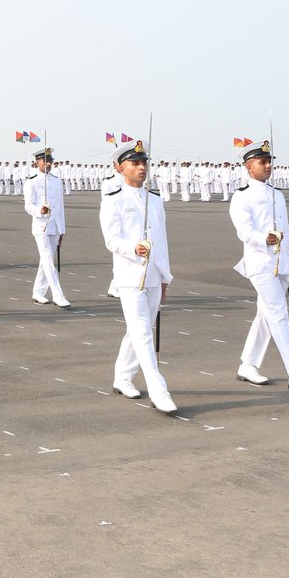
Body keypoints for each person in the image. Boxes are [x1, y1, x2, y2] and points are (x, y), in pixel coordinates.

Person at [228, 140, 289, 394]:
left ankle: (248, 364)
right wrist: (263, 239)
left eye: (269, 161)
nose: (268, 165)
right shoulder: (242, 196)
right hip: (260, 262)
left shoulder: (277, 194)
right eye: (262, 162)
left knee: (266, 316)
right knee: (278, 313)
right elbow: (243, 231)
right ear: (249, 166)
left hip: (282, 264)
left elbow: (287, 233)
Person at [99, 140, 176, 414]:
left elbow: (162, 239)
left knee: (138, 330)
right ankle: (159, 390)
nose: (141, 167)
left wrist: (165, 276)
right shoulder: (113, 199)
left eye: (144, 162)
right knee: (143, 332)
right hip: (130, 275)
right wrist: (133, 248)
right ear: (120, 168)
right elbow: (111, 240)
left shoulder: (154, 199)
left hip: (154, 275)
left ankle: (122, 376)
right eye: (135, 163)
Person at [24, 147, 71, 308]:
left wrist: (62, 229)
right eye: (46, 161)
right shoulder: (32, 181)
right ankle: (58, 295)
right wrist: (39, 210)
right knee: (48, 260)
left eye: (51, 161)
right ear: (38, 162)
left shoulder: (56, 181)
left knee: (47, 260)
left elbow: (61, 207)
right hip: (41, 226)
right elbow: (28, 205)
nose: (49, 164)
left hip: (55, 226)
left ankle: (38, 292)